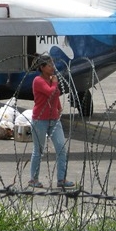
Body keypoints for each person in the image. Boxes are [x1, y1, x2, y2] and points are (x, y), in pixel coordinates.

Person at [28, 54, 75, 189]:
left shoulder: (50, 79)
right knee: (39, 150)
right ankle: (33, 179)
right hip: (40, 120)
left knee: (61, 148)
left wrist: (58, 107)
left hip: (54, 120)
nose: (53, 67)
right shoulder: (38, 80)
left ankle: (61, 179)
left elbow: (55, 95)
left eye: (53, 64)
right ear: (42, 67)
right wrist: (54, 82)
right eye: (50, 65)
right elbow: (50, 92)